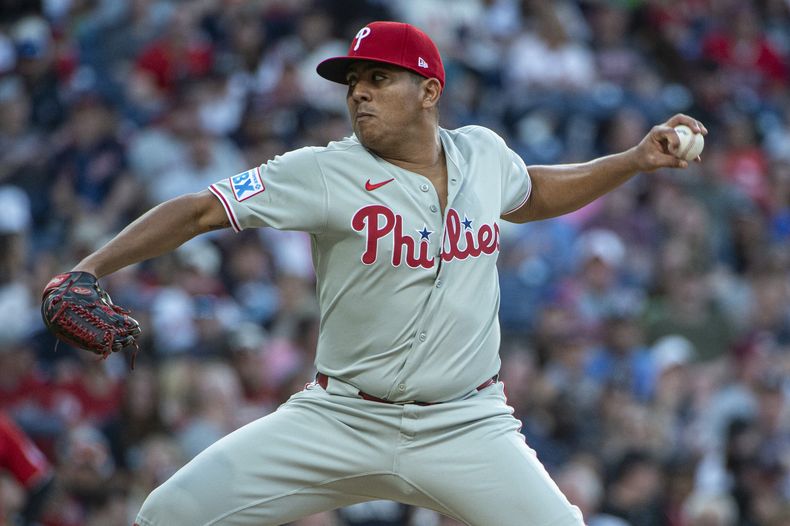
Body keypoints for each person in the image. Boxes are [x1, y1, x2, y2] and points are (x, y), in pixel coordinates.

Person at [46, 21, 706, 526]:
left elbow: (530, 193)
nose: (358, 91)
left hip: (466, 424)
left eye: (378, 77)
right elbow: (198, 212)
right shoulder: (325, 171)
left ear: (429, 91)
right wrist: (88, 267)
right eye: (353, 80)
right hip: (340, 419)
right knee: (167, 516)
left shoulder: (481, 153)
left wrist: (633, 160)